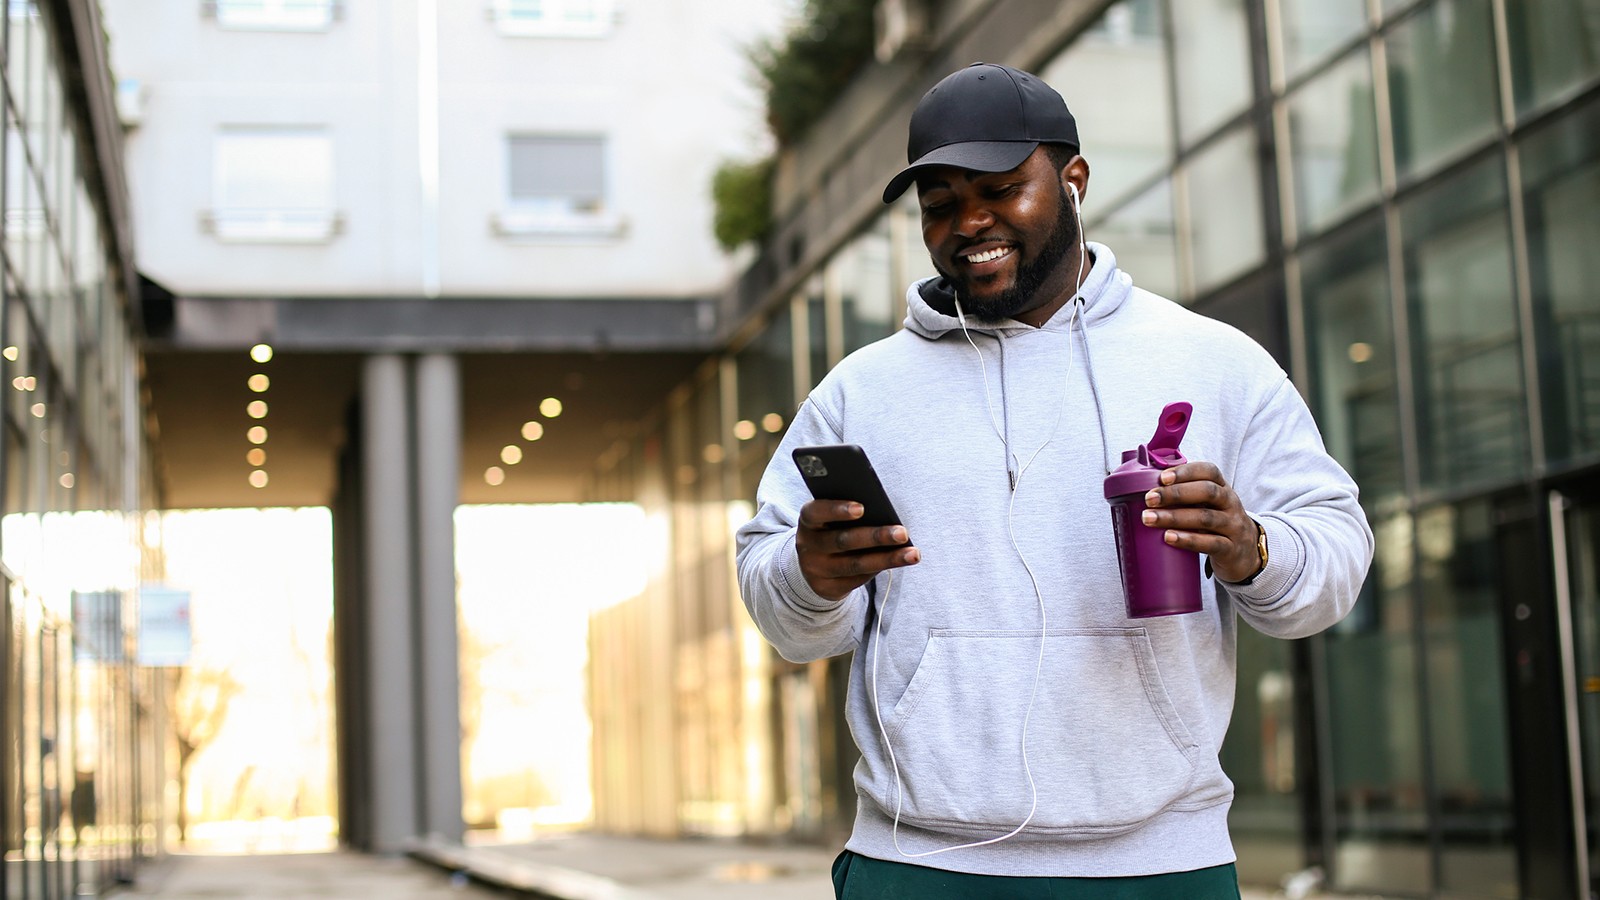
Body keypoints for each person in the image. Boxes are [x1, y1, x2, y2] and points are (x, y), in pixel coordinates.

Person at [735, 62, 1373, 898]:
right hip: (918, 863)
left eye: (1001, 190)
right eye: (940, 206)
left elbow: (1331, 566)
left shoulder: (1214, 361)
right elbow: (785, 615)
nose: (971, 223)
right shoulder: (861, 392)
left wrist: (1253, 548)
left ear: (1072, 181)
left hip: (1159, 862)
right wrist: (808, 578)